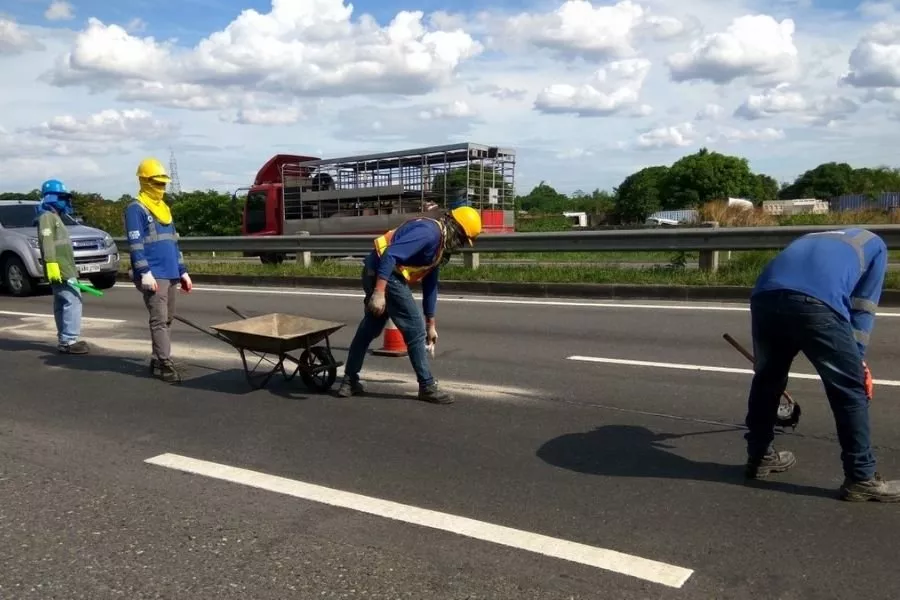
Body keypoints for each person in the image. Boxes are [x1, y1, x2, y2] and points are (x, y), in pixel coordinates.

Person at [743, 227, 900, 501]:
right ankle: (861, 477)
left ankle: (759, 457)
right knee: (850, 391)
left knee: (768, 379)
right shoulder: (875, 245)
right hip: (814, 303)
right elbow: (862, 306)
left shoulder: (813, 237)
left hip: (765, 296)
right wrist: (857, 361)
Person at [337, 205, 483, 404]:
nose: (461, 246)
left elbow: (430, 284)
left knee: (370, 327)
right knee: (415, 329)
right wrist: (379, 292)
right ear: (455, 228)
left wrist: (431, 323)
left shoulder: (440, 246)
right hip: (385, 273)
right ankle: (427, 386)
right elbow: (390, 255)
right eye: (463, 240)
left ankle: (348, 381)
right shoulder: (429, 234)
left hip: (378, 272)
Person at [124, 157, 192, 383]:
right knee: (159, 320)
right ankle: (163, 362)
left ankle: (157, 357)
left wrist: (182, 271)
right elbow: (135, 244)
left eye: (163, 183)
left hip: (171, 272)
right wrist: (144, 271)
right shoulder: (136, 208)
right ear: (144, 181)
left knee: (168, 318)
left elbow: (174, 241)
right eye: (157, 182)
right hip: (154, 273)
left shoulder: (164, 208)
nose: (161, 187)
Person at [35, 179, 89, 355]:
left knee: (62, 301)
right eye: (63, 197)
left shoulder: (55, 217)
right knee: (72, 300)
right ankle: (69, 339)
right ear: (52, 197)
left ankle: (65, 339)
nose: (66, 201)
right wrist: (51, 264)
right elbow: (47, 241)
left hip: (63, 267)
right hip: (60, 268)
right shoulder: (47, 217)